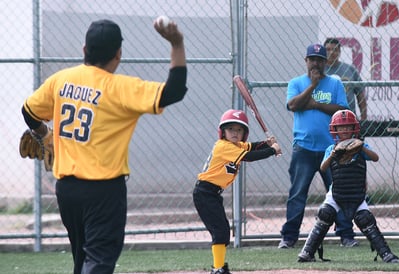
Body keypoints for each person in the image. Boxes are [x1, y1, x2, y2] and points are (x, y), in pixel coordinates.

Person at [21, 19, 187, 274]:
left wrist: (45, 135)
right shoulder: (121, 88)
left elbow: (29, 111)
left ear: (84, 49)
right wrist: (176, 43)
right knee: (98, 263)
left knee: (83, 262)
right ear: (118, 54)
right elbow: (174, 91)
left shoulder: (61, 80)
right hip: (103, 193)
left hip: (67, 192)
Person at [279, 43, 357, 249]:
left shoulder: (334, 83)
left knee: (339, 191)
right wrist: (312, 86)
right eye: (312, 59)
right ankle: (289, 237)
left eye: (320, 59)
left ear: (325, 62)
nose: (316, 63)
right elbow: (293, 105)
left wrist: (316, 105)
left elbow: (341, 111)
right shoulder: (296, 83)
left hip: (331, 149)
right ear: (306, 61)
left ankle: (346, 235)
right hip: (303, 148)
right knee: (298, 193)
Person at [297, 110, 399, 263]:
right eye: (341, 127)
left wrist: (361, 147)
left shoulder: (361, 146)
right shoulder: (331, 149)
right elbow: (323, 168)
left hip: (356, 193)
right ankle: (307, 252)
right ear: (335, 130)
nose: (344, 130)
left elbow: (375, 158)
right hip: (336, 193)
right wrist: (333, 154)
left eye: (348, 127)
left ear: (354, 128)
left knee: (365, 219)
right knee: (325, 214)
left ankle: (386, 254)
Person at [193, 109, 282, 274]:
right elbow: (250, 156)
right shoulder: (223, 146)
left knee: (223, 231)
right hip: (204, 192)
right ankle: (218, 269)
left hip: (211, 193)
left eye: (239, 130)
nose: (234, 133)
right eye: (231, 129)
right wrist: (272, 150)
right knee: (220, 232)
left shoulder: (237, 145)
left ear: (244, 134)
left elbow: (252, 147)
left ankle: (219, 267)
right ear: (223, 132)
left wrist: (266, 143)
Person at [324, 38, 367, 121]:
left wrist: (364, 119)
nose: (331, 52)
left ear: (339, 52)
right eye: (328, 49)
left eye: (335, 49)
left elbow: (360, 96)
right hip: (325, 119)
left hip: (348, 120)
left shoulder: (350, 70)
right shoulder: (319, 71)